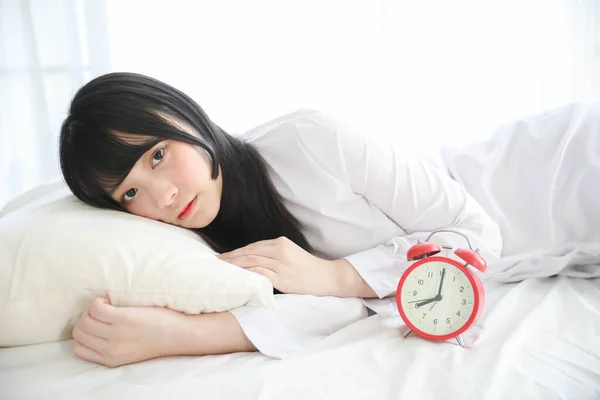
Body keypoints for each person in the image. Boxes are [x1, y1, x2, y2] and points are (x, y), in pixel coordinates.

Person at [58, 72, 502, 368]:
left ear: (185, 117)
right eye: (130, 192)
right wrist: (176, 333)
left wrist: (338, 275)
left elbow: (476, 232)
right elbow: (326, 311)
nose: (164, 196)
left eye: (157, 155)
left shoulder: (312, 140)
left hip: (511, 185)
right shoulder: (188, 246)